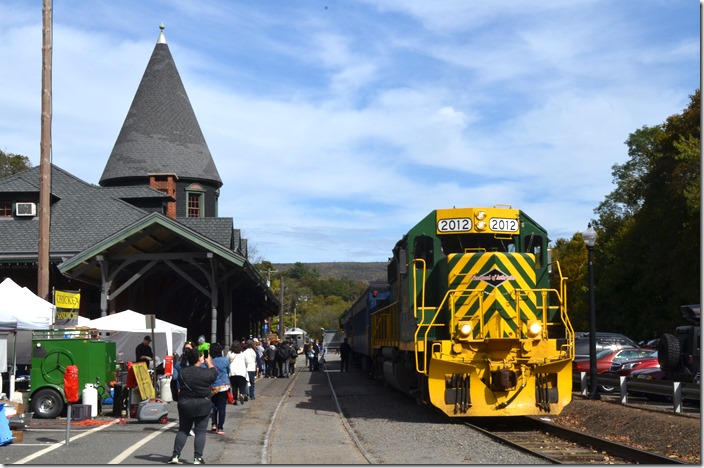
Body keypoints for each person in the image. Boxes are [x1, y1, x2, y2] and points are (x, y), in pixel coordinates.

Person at [168, 347, 217, 464]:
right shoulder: (206, 373)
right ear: (200, 358)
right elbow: (214, 373)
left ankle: (175, 455)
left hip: (185, 404)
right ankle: (197, 458)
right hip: (203, 404)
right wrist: (209, 361)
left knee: (183, 430)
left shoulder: (182, 372)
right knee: (200, 432)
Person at [208, 343, 230, 435]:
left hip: (212, 386)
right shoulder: (225, 360)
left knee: (213, 406)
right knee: (222, 407)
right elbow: (229, 371)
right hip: (223, 386)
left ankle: (213, 424)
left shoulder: (210, 361)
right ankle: (220, 427)